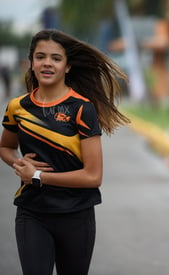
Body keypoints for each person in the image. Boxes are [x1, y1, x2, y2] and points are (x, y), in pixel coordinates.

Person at [0, 29, 130, 275]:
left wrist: (38, 176)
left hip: (75, 215)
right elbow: (5, 147)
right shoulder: (17, 107)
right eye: (40, 57)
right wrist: (17, 163)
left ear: (67, 67)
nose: (47, 63)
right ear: (31, 62)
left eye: (56, 58)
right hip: (32, 212)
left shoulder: (82, 109)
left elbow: (93, 176)